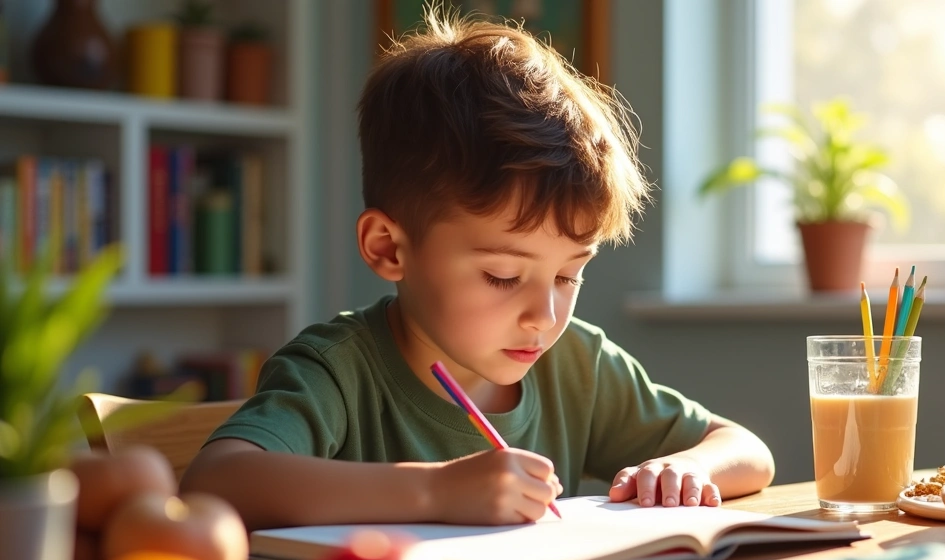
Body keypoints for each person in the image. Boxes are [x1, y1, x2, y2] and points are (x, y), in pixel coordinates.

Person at [180, 9, 774, 530]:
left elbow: (745, 449)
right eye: (502, 277)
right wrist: (434, 491)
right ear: (389, 248)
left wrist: (686, 467)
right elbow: (218, 480)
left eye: (570, 276)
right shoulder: (338, 371)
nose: (544, 318)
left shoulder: (578, 367)